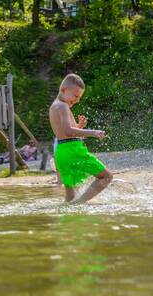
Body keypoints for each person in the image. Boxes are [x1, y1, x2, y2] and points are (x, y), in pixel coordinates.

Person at [49, 73, 113, 203]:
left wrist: (79, 126)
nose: (77, 100)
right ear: (64, 90)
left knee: (70, 197)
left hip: (61, 152)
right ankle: (79, 204)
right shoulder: (63, 106)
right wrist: (93, 132)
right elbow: (68, 131)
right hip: (73, 150)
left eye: (79, 97)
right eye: (75, 96)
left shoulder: (55, 106)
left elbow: (64, 132)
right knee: (106, 177)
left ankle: (69, 215)